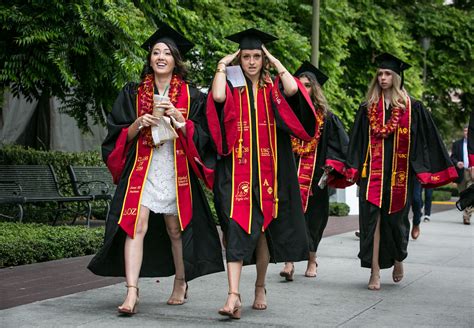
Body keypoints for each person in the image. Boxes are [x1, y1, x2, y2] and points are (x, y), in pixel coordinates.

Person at [87, 24, 224, 315]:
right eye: (156, 52)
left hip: (175, 167)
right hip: (143, 165)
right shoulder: (133, 93)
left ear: (176, 59)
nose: (161, 56)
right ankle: (131, 292)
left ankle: (181, 281)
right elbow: (117, 131)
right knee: (135, 225)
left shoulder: (191, 95)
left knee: (175, 229)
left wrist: (181, 121)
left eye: (167, 52)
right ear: (150, 59)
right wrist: (139, 123)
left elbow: (204, 136)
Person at [206, 28, 316, 318]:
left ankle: (259, 286)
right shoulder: (231, 84)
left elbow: (295, 91)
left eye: (256, 56)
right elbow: (216, 97)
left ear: (263, 59)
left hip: (270, 173)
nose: (251, 62)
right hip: (236, 172)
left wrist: (276, 62)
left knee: (264, 233)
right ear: (239, 59)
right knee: (235, 229)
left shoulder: (274, 89)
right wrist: (222, 65)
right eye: (246, 56)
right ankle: (232, 295)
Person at [345, 53, 457, 291]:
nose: (383, 78)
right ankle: (374, 271)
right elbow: (356, 141)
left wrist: (425, 171)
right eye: (380, 74)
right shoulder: (367, 108)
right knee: (372, 222)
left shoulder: (412, 107)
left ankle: (398, 260)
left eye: (387, 74)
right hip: (372, 176)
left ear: (396, 77)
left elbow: (426, 141)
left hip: (400, 177)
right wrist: (352, 168)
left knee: (396, 223)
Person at [279, 61, 351, 280]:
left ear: (315, 89)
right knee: (289, 217)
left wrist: (332, 164)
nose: (303, 88)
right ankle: (289, 262)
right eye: (299, 84)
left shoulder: (327, 119)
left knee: (314, 219)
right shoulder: (286, 115)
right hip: (290, 175)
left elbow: (338, 146)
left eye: (308, 85)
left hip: (315, 178)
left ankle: (312, 260)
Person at [451, 124, 473, 225]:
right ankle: (466, 214)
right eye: (465, 131)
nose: (466, 133)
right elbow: (452, 157)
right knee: (463, 194)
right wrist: (457, 163)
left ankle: (466, 216)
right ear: (463, 132)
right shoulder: (457, 144)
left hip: (472, 171)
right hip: (461, 172)